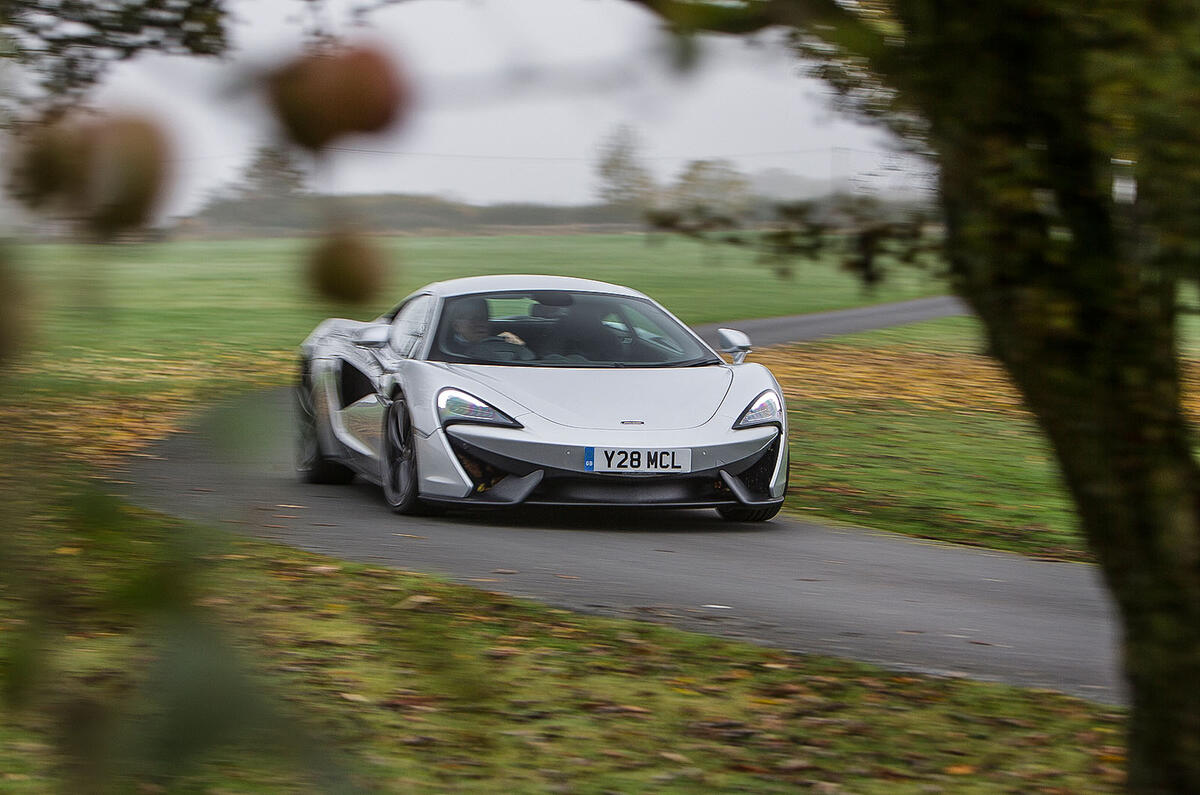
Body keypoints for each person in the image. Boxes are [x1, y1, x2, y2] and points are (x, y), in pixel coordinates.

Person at [446, 296, 533, 361]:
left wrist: (517, 346)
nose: (480, 323)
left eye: (483, 318)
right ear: (456, 325)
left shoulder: (503, 341)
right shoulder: (447, 349)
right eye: (472, 319)